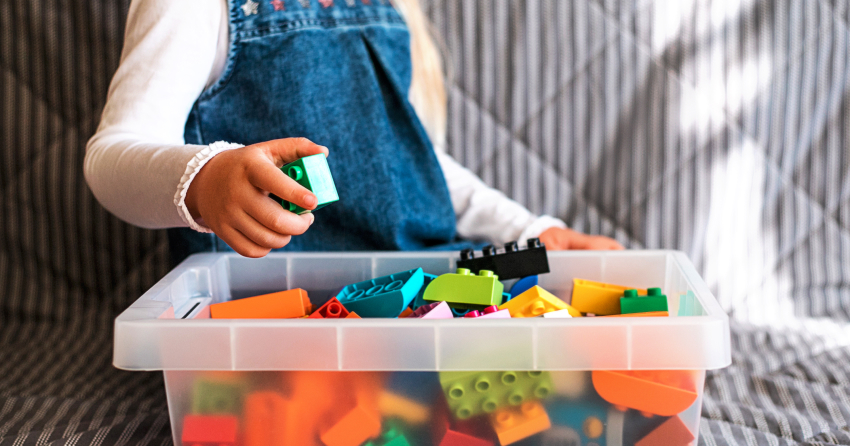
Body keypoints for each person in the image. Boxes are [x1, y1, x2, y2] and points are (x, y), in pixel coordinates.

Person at [85, 0, 623, 261]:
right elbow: (111, 156)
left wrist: (526, 230)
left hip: (429, 288)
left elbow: (413, 165)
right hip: (279, 314)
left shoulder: (388, 8)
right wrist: (205, 181)